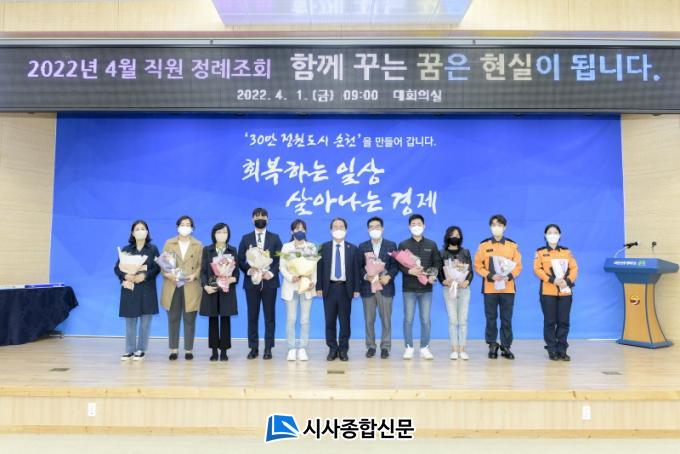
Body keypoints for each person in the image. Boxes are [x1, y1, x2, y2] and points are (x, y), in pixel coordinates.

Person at [474, 214, 522, 360]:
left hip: (508, 288)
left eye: (499, 225)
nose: (497, 227)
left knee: (506, 318)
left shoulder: (512, 246)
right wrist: (490, 275)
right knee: (491, 318)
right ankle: (492, 345)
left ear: (504, 227)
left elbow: (518, 266)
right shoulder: (484, 245)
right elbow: (478, 266)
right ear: (490, 227)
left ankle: (506, 346)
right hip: (490, 288)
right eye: (494, 225)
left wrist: (509, 276)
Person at [238, 207, 283, 360]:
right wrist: (249, 269)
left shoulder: (275, 238)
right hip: (252, 283)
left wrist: (271, 273)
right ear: (252, 220)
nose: (260, 218)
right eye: (257, 216)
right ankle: (253, 348)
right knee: (252, 316)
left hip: (269, 282)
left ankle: (268, 348)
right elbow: (240, 259)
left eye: (263, 216)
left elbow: (280, 259)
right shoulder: (246, 238)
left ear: (267, 219)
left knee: (269, 317)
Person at [397, 214, 442, 360]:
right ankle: (408, 347)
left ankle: (424, 347)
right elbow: (399, 264)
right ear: (409, 227)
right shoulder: (403, 244)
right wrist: (409, 271)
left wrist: (433, 275)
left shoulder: (431, 244)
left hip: (426, 289)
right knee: (408, 320)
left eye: (419, 224)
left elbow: (437, 263)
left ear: (424, 226)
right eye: (413, 224)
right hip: (409, 288)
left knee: (425, 320)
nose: (416, 226)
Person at [316, 217, 361, 362]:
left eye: (341, 226)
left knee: (344, 321)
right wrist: (319, 287)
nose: (338, 229)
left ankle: (343, 349)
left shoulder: (353, 249)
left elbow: (356, 270)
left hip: (345, 289)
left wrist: (356, 289)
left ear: (346, 230)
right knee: (329, 321)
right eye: (335, 226)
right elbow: (319, 269)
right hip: (328, 288)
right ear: (331, 230)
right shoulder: (323, 248)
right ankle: (332, 348)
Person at [114, 220, 160, 361]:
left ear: (147, 232)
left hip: (147, 288)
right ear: (132, 233)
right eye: (137, 229)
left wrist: (144, 276)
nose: (140, 231)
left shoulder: (153, 249)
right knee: (130, 321)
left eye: (143, 228)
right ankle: (129, 350)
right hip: (130, 288)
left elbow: (157, 268)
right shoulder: (126, 249)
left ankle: (141, 349)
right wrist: (125, 276)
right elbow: (117, 268)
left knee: (145, 323)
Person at [533, 224, 578, 361]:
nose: (553, 235)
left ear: (560, 235)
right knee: (550, 321)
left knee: (564, 321)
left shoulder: (566, 252)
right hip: (548, 292)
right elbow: (537, 269)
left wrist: (567, 281)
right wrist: (552, 280)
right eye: (550, 232)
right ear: (545, 235)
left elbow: (574, 268)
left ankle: (562, 349)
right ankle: (552, 349)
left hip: (565, 292)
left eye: (555, 232)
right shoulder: (540, 252)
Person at [161, 215, 203, 361]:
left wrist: (195, 275)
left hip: (191, 285)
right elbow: (163, 264)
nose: (185, 227)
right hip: (173, 285)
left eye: (188, 224)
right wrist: (168, 275)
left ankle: (188, 349)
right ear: (177, 227)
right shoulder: (169, 243)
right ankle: (173, 349)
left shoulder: (198, 245)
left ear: (192, 228)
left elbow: (201, 266)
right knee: (173, 318)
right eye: (182, 224)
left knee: (189, 319)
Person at [358, 216, 398, 359]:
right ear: (368, 230)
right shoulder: (362, 246)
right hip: (368, 287)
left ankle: (385, 347)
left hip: (385, 287)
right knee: (369, 320)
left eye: (377, 226)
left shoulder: (391, 245)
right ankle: (371, 346)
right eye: (371, 227)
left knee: (386, 319)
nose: (374, 229)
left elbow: (395, 266)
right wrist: (366, 276)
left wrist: (389, 276)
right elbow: (359, 267)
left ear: (382, 228)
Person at [200, 223, 239, 361]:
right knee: (213, 320)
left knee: (225, 319)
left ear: (228, 235)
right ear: (214, 234)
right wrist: (205, 286)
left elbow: (236, 272)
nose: (222, 235)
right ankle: (214, 351)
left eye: (224, 232)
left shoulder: (232, 250)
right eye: (219, 232)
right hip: (212, 289)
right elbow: (203, 271)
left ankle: (224, 351)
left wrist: (232, 279)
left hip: (226, 290)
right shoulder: (207, 250)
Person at [279, 219, 317, 362]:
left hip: (306, 287)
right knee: (291, 319)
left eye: (302, 228)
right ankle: (291, 348)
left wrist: (313, 282)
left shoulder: (311, 247)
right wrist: (290, 277)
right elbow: (282, 267)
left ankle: (302, 348)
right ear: (292, 231)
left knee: (305, 320)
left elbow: (314, 267)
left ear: (305, 231)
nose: (299, 231)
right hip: (291, 286)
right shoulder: (286, 247)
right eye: (297, 228)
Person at [438, 226, 474, 360]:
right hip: (449, 289)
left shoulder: (465, 252)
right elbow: (439, 272)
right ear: (447, 236)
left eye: (458, 235)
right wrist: (444, 281)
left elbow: (470, 272)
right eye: (452, 234)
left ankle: (462, 349)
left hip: (464, 289)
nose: (455, 237)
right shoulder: (441, 253)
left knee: (463, 320)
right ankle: (454, 349)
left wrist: (467, 282)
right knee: (453, 320)